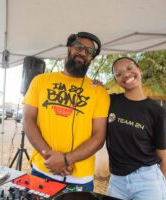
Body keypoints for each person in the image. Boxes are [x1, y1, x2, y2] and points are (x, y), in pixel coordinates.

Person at [22, 32, 110, 191]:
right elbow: (28, 120)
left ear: (91, 58)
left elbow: (99, 136)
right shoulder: (40, 81)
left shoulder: (99, 92)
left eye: (89, 51)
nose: (83, 52)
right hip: (43, 169)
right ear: (69, 48)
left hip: (79, 178)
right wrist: (50, 157)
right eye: (79, 47)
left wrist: (66, 160)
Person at [106, 57, 166, 200]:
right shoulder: (110, 102)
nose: (126, 74)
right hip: (117, 181)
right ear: (116, 80)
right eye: (119, 73)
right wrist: (95, 86)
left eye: (129, 68)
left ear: (139, 70)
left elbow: (162, 155)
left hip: (147, 179)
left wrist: (161, 184)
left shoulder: (158, 113)